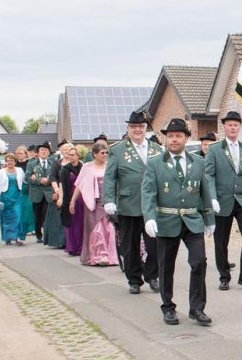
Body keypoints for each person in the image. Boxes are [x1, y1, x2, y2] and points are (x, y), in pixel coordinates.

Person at [142, 118, 215, 326]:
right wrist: (149, 218)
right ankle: (168, 307)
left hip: (192, 220)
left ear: (186, 138)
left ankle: (197, 308)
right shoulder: (155, 163)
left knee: (199, 262)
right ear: (166, 139)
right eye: (171, 136)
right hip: (167, 220)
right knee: (166, 266)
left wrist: (209, 218)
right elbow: (148, 192)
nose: (174, 139)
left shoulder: (198, 162)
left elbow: (205, 192)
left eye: (178, 136)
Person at [103, 110, 163, 294]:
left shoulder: (156, 149)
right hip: (129, 204)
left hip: (152, 205)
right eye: (133, 127)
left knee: (155, 245)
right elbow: (110, 178)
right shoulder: (117, 150)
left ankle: (152, 276)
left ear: (146, 128)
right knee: (130, 246)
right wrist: (109, 200)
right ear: (128, 128)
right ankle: (134, 279)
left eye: (141, 126)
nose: (137, 130)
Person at [205, 110, 242, 291]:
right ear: (224, 127)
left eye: (236, 125)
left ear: (239, 127)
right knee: (221, 241)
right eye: (229, 125)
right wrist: (212, 197)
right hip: (222, 200)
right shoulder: (214, 149)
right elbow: (209, 175)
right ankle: (224, 276)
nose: (233, 127)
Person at [71, 143, 119, 266]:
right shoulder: (87, 167)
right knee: (97, 229)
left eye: (106, 152)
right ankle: (99, 256)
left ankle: (111, 256)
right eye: (102, 153)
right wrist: (73, 200)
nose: (105, 155)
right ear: (95, 154)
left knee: (110, 229)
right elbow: (79, 184)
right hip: (94, 202)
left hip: (108, 200)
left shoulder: (110, 166)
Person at [0, 153, 26, 245]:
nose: (10, 162)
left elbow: (25, 180)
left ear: (15, 162)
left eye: (11, 161)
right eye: (8, 161)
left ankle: (18, 237)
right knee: (7, 218)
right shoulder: (0, 172)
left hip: (18, 197)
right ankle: (8, 237)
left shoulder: (20, 170)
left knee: (18, 216)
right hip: (5, 197)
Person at [26, 142, 54, 243]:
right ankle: (38, 235)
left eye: (46, 150)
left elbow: (56, 176)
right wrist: (38, 180)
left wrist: (48, 180)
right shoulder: (31, 164)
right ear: (38, 152)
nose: (44, 152)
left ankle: (47, 234)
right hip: (36, 193)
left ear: (49, 153)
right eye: (42, 150)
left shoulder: (53, 163)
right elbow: (27, 178)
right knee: (38, 215)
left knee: (46, 214)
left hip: (48, 193)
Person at [60, 145, 85, 256]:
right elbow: (63, 186)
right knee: (72, 224)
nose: (70, 157)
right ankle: (73, 247)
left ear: (78, 156)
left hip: (83, 198)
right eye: (69, 155)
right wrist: (63, 200)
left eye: (72, 155)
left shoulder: (83, 167)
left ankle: (82, 247)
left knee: (82, 223)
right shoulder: (65, 169)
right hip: (70, 197)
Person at [14, 146, 36, 236]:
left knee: (29, 208)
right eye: (18, 153)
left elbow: (33, 172)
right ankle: (23, 228)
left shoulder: (30, 163)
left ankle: (32, 228)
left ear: (25, 154)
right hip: (18, 188)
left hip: (29, 187)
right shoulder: (15, 164)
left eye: (21, 153)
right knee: (21, 209)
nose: (20, 155)